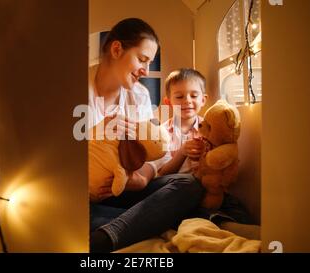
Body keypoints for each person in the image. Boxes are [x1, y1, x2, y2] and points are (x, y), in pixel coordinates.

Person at [89, 18, 203, 253]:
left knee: (188, 184)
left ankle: (106, 235)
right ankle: (138, 222)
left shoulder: (139, 96)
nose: (146, 70)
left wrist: (139, 179)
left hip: (126, 190)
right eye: (142, 59)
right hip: (85, 195)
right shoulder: (75, 89)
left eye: (149, 62)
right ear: (117, 49)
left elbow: (156, 156)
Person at [157, 68, 252, 226]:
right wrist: (182, 152)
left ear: (203, 100)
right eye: (179, 96)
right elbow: (161, 174)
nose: (187, 100)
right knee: (189, 209)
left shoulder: (212, 129)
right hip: (179, 193)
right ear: (168, 102)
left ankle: (224, 221)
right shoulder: (162, 133)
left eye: (194, 96)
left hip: (210, 190)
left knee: (237, 211)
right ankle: (208, 220)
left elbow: (223, 159)